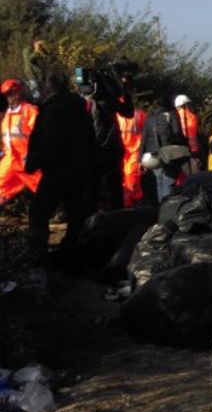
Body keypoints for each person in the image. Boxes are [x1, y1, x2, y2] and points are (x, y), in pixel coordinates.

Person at [24, 72, 96, 266]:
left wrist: (34, 162)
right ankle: (71, 253)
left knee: (39, 213)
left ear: (51, 88)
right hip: (79, 171)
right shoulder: (82, 110)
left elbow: (50, 143)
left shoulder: (53, 111)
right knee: (75, 214)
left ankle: (38, 256)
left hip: (57, 171)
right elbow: (91, 142)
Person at [81, 66, 135, 211]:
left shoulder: (84, 103)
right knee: (113, 189)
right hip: (111, 149)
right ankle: (114, 218)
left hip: (93, 151)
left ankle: (92, 221)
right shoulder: (110, 101)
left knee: (92, 189)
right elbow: (129, 112)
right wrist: (125, 91)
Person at [0, 79, 42, 203]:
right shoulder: (8, 114)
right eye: (6, 95)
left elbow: (40, 137)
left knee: (44, 189)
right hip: (11, 160)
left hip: (28, 161)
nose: (8, 98)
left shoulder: (30, 111)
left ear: (18, 94)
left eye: (10, 94)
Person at [141, 95, 187, 202]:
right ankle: (166, 209)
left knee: (159, 183)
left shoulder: (150, 117)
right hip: (168, 155)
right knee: (168, 183)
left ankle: (161, 208)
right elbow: (177, 133)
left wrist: (140, 158)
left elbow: (144, 138)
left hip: (152, 155)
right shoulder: (171, 114)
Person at [118, 107, 147, 207]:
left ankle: (136, 204)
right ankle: (127, 206)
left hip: (135, 150)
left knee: (132, 177)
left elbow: (147, 132)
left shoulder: (139, 114)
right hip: (121, 151)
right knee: (123, 181)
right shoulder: (115, 114)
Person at [174, 94, 201, 175]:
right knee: (195, 172)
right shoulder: (192, 116)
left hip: (180, 149)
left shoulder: (174, 116)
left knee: (183, 173)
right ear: (185, 105)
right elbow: (196, 131)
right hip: (193, 149)